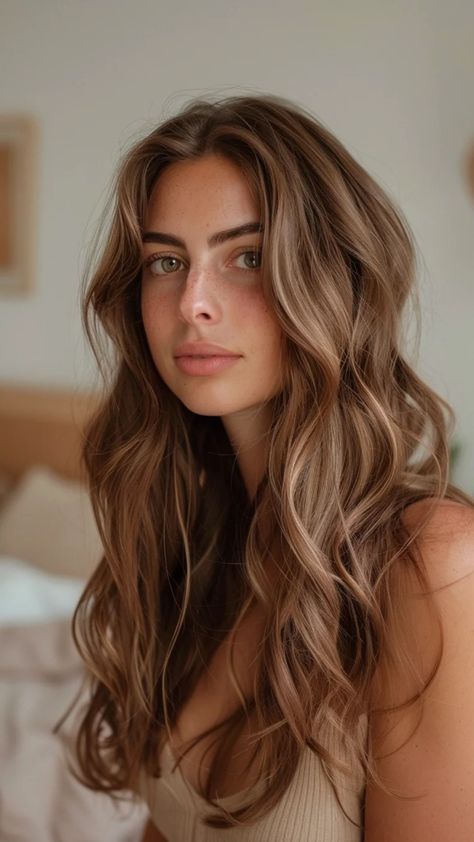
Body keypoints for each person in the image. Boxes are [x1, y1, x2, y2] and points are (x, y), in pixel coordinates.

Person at [66, 93, 474, 841]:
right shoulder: (195, 550)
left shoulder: (431, 565)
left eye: (246, 257)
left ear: (334, 278)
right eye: (165, 262)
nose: (193, 303)